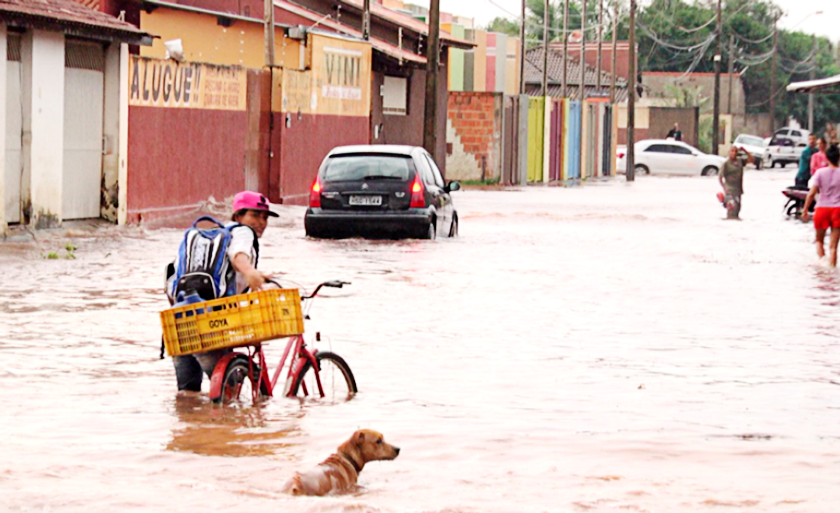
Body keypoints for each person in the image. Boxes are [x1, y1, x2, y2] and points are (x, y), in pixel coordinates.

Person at [171, 191, 277, 392]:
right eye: (254, 215)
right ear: (238, 216)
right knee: (228, 392)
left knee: (186, 396)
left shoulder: (208, 237)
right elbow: (238, 255)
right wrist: (250, 272)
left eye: (265, 217)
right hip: (210, 322)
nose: (261, 222)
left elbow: (172, 276)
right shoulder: (243, 233)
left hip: (180, 319)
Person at [802, 144, 840, 267]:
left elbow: (812, 193)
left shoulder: (820, 172)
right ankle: (832, 270)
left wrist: (805, 209)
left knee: (819, 241)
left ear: (827, 158)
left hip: (822, 208)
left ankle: (823, 266)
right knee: (834, 246)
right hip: (838, 210)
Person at [719, 145, 753, 220]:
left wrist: (745, 151)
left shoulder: (739, 161)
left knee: (738, 209)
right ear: (728, 152)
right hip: (730, 190)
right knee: (731, 208)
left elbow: (751, 160)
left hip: (738, 189)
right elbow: (720, 177)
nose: (733, 153)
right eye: (732, 151)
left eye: (735, 151)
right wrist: (725, 188)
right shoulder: (726, 163)